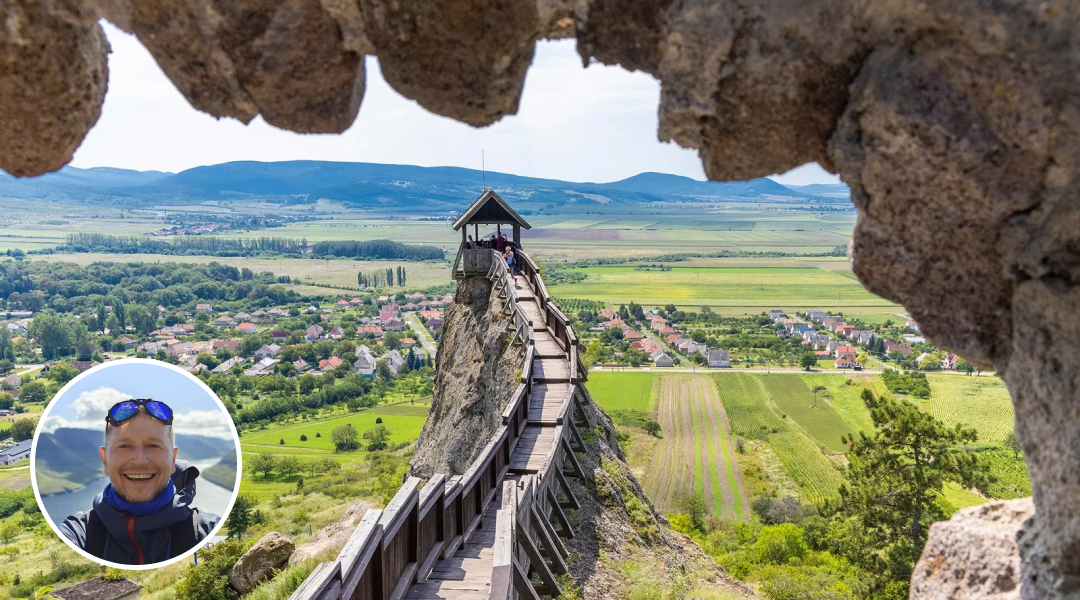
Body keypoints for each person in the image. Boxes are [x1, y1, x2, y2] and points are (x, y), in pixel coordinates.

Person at [59, 399, 220, 565]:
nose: (140, 461)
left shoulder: (206, 529)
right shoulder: (78, 532)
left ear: (172, 459)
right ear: (105, 461)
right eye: (124, 446)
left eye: (153, 445)